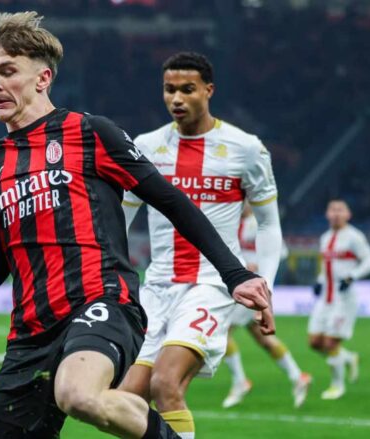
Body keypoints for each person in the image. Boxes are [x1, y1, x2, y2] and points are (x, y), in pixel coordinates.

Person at [0, 13, 273, 439]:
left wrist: (235, 274)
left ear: (43, 78)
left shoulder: (89, 132)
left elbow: (171, 201)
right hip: (31, 331)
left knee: (77, 394)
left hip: (102, 302)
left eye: (8, 71)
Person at [116, 51, 284, 438]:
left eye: (187, 89)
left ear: (209, 90)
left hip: (212, 285)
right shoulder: (146, 146)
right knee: (125, 398)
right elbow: (121, 219)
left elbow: (268, 223)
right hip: (157, 287)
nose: (177, 98)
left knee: (166, 383)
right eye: (169, 89)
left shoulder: (246, 148)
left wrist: (266, 286)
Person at [221, 203, 311, 409]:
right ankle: (298, 377)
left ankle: (240, 381)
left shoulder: (258, 224)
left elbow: (281, 251)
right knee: (263, 338)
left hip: (252, 286)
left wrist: (259, 266)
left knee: (222, 330)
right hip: (240, 286)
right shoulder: (232, 222)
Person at [308, 199, 370, 400]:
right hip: (325, 298)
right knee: (315, 342)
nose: (336, 213)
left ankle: (337, 386)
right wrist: (319, 280)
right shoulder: (325, 237)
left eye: (340, 210)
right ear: (327, 214)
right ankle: (348, 358)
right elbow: (327, 267)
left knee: (330, 343)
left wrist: (352, 276)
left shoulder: (354, 237)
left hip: (344, 299)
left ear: (348, 214)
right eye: (332, 210)